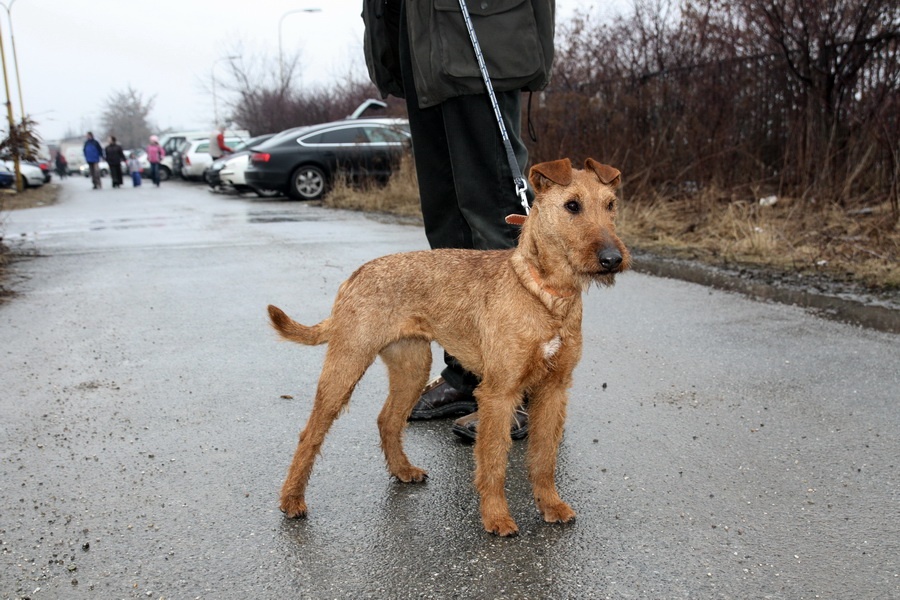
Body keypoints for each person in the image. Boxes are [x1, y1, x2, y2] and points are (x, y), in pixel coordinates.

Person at [362, 0, 555, 441]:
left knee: (494, 213)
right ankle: (468, 374)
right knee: (447, 224)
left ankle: (521, 384)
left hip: (475, 38)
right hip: (421, 47)